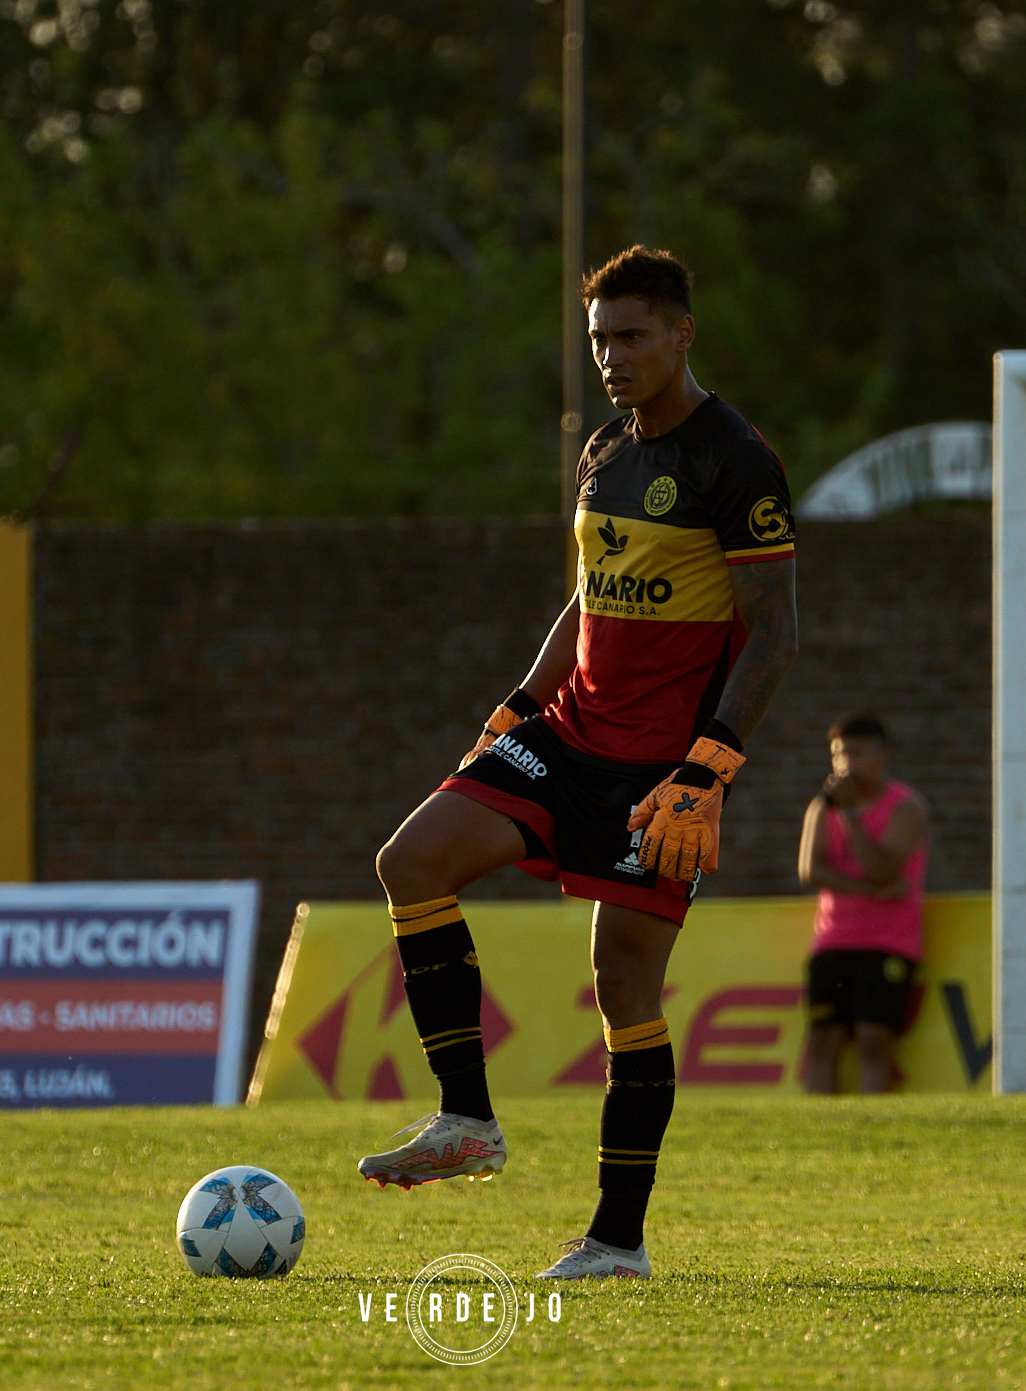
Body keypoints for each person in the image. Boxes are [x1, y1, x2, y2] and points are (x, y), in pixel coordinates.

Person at [357, 246, 798, 1280]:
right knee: (409, 860)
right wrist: (517, 700)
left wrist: (706, 768)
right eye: (598, 337)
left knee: (623, 992)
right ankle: (466, 1118)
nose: (610, 355)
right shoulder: (604, 448)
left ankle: (614, 1240)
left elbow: (773, 631)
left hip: (657, 773)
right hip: (563, 733)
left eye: (630, 335)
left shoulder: (735, 458)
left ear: (681, 333)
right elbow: (586, 596)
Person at [798, 714, 930, 1094]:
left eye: (855, 753)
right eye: (838, 754)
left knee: (874, 1039)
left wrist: (851, 814)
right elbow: (811, 870)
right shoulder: (822, 807)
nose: (844, 764)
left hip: (888, 943)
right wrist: (871, 892)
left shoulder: (906, 807)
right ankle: (817, 1132)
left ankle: (874, 1126)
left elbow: (882, 869)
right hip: (832, 940)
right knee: (823, 1041)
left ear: (882, 756)